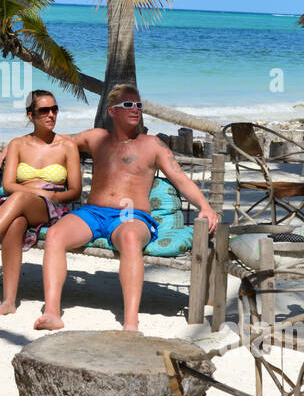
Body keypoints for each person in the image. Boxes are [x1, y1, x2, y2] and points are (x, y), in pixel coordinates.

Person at [34, 83, 220, 332]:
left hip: (132, 216)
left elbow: (181, 179)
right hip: (92, 214)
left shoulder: (152, 145)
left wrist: (205, 206)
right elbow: (56, 143)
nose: (135, 109)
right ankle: (52, 313)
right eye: (128, 105)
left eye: (139, 105)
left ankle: (131, 323)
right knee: (56, 234)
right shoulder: (96, 137)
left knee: (131, 237)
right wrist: (16, 146)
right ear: (112, 111)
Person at [0, 90, 82, 317]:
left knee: (18, 200)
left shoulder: (67, 146)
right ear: (31, 115)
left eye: (54, 109)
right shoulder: (18, 144)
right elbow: (9, 185)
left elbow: (75, 190)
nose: (51, 115)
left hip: (51, 206)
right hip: (17, 202)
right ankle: (8, 301)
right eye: (44, 110)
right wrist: (33, 190)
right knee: (15, 223)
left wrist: (52, 196)